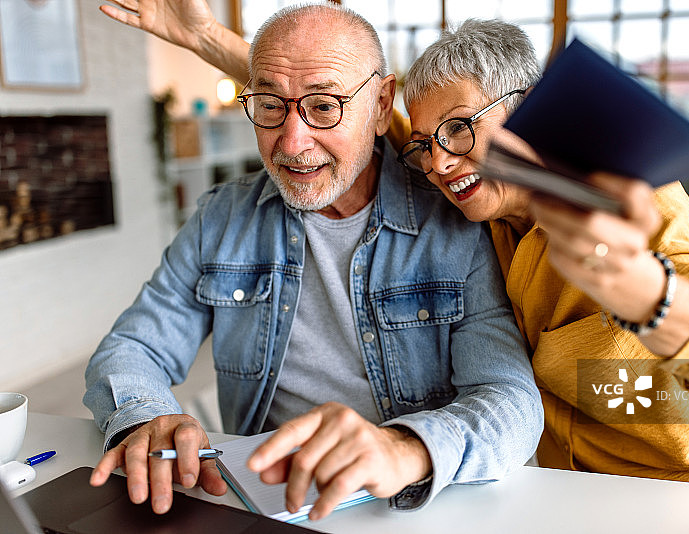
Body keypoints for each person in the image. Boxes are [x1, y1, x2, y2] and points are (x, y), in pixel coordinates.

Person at [101, 0, 689, 489]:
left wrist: (651, 296)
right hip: (572, 484)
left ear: (528, 111)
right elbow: (337, 116)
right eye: (428, 141)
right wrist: (210, 41)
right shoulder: (468, 191)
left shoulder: (620, 197)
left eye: (460, 130)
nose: (437, 161)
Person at [84, 3, 542, 521]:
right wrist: (147, 417)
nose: (293, 143)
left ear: (380, 104)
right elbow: (132, 345)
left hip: (409, 510)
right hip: (259, 504)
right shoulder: (223, 218)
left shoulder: (453, 223)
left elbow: (509, 400)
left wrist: (406, 448)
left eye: (324, 107)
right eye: (270, 105)